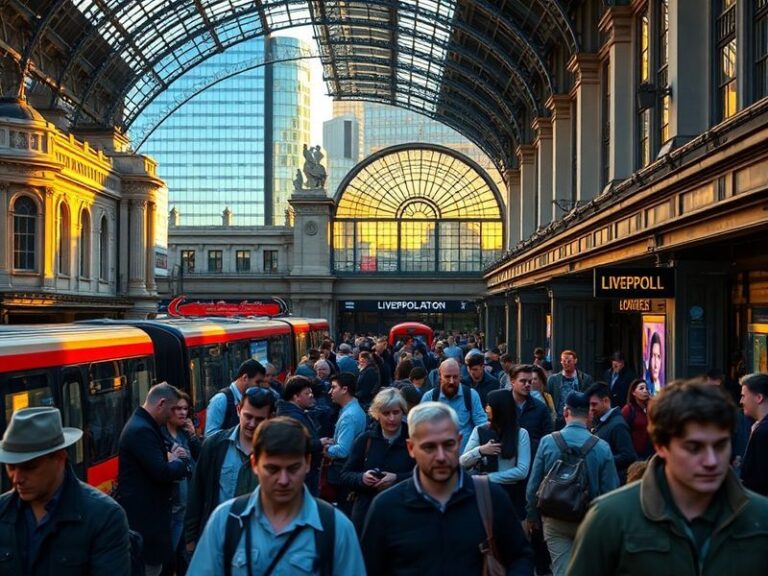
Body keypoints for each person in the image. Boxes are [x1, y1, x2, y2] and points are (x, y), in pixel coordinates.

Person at [568, 380, 768, 575]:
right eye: (693, 448)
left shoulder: (760, 517)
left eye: (720, 445)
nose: (711, 460)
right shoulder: (610, 518)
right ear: (661, 447)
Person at [361, 402, 535, 575]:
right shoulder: (387, 508)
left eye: (448, 445)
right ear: (411, 448)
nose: (441, 457)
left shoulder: (490, 497)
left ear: (459, 443)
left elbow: (520, 557)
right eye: (429, 447)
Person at [187, 417, 365, 575]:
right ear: (255, 464)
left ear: (308, 463)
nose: (283, 480)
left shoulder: (337, 528)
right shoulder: (224, 520)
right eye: (272, 469)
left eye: (293, 468)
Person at [0, 407, 130, 576]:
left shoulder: (105, 517)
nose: (16, 478)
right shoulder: (2, 511)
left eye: (29, 467)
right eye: (11, 467)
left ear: (60, 458)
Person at [525, 391, 618, 576]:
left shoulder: (548, 442)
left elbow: (533, 485)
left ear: (566, 411)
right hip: (590, 520)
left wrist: (532, 516)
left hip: (554, 518)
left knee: (561, 570)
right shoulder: (601, 447)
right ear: (589, 414)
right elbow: (611, 491)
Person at [184, 387, 276, 551]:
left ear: (270, 418)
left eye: (259, 419)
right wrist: (190, 540)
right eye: (248, 416)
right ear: (238, 409)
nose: (252, 424)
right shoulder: (215, 446)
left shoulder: (277, 452)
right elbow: (197, 492)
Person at [116, 382, 191, 576]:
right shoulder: (142, 429)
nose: (173, 415)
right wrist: (182, 462)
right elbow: (162, 471)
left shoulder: (144, 424)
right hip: (147, 523)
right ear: (162, 404)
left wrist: (170, 459)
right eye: (173, 409)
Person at [341, 388, 416, 533]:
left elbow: (424, 476)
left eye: (396, 412)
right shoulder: (365, 440)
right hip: (367, 515)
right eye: (386, 413)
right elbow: (345, 475)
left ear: (403, 412)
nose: (392, 418)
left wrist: (397, 478)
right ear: (377, 414)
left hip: (403, 515)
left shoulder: (413, 439)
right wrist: (362, 478)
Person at [460, 389, 531, 519]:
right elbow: (462, 462)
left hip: (511, 496)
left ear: (499, 408)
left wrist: (489, 478)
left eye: (489, 405)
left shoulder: (521, 434)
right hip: (483, 495)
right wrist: (480, 451)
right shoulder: (480, 430)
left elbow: (522, 470)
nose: (486, 408)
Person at [162, 392, 201, 574]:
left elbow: (200, 457)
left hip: (188, 503)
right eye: (178, 408)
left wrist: (193, 437)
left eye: (185, 409)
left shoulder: (185, 433)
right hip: (174, 506)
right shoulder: (160, 435)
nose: (183, 413)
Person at [321, 372, 367, 510]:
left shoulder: (349, 416)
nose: (330, 392)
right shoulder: (352, 410)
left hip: (342, 470)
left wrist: (325, 448)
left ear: (345, 389)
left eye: (333, 387)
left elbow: (343, 450)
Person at [421, 358, 488, 452]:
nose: (452, 381)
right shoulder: (429, 398)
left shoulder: (471, 395)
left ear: (460, 376)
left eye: (455, 377)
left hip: (465, 460)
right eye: (447, 377)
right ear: (440, 376)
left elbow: (481, 424)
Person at [275, 376, 324, 495]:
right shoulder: (293, 417)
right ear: (296, 397)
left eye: (311, 392)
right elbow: (296, 445)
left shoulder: (298, 413)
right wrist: (320, 443)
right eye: (307, 393)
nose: (311, 396)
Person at [586, 382, 637, 484]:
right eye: (589, 405)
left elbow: (629, 455)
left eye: (594, 404)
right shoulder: (603, 422)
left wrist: (602, 460)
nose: (591, 408)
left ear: (606, 401)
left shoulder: (618, 426)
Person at [205, 359, 266, 437]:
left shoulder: (247, 398)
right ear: (245, 378)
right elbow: (210, 436)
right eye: (257, 382)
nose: (259, 386)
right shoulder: (220, 400)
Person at [547, 350, 594, 429]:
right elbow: (547, 398)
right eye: (563, 361)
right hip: (559, 420)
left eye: (569, 361)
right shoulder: (553, 380)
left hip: (578, 419)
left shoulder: (585, 379)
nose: (566, 363)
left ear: (575, 361)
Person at [740, 373, 768, 495]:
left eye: (743, 396)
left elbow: (760, 479)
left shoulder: (763, 431)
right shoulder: (759, 428)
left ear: (758, 398)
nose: (741, 401)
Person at [621, 378, 654, 459]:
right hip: (635, 454)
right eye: (641, 388)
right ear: (633, 392)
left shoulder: (650, 407)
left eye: (646, 388)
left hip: (651, 453)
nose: (645, 391)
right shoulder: (628, 409)